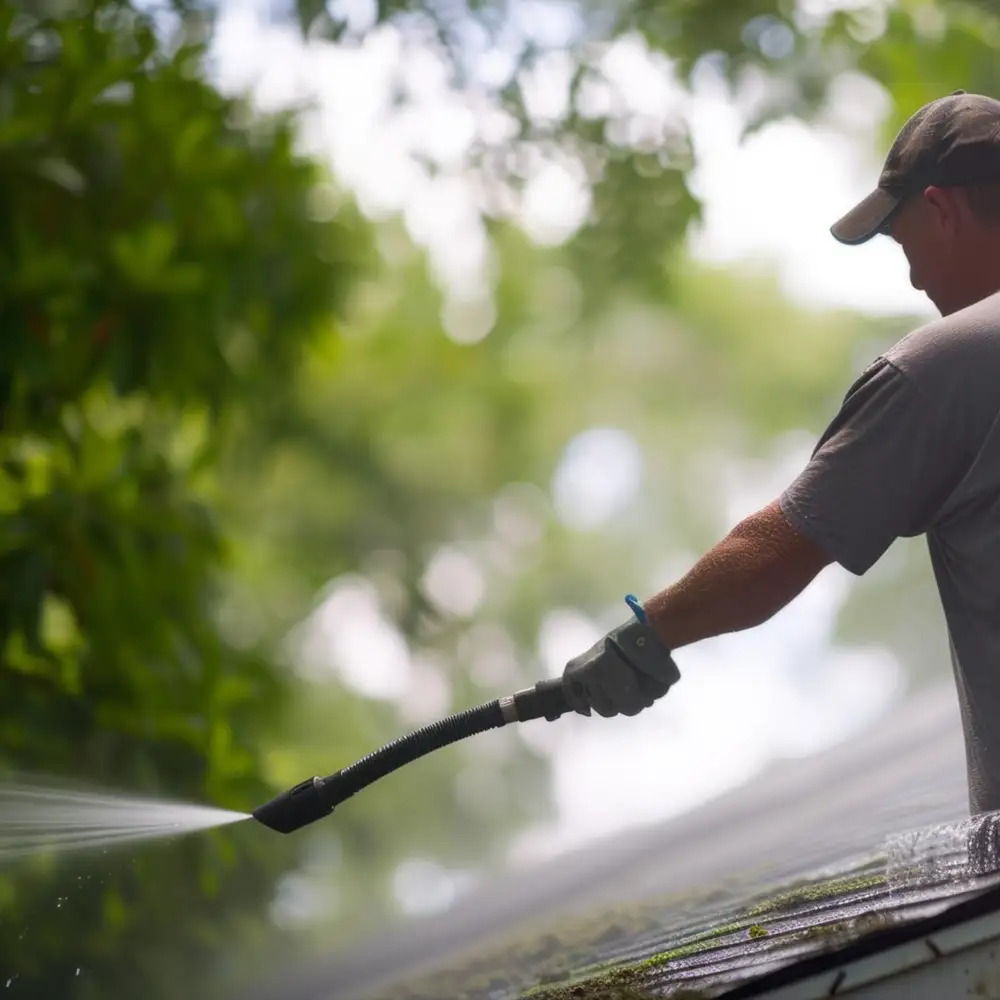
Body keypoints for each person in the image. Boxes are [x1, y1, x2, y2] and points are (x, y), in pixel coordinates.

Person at [562, 90, 1000, 823]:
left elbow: (774, 553)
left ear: (942, 209)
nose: (915, 279)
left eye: (904, 244)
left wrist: (643, 639)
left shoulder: (949, 364)